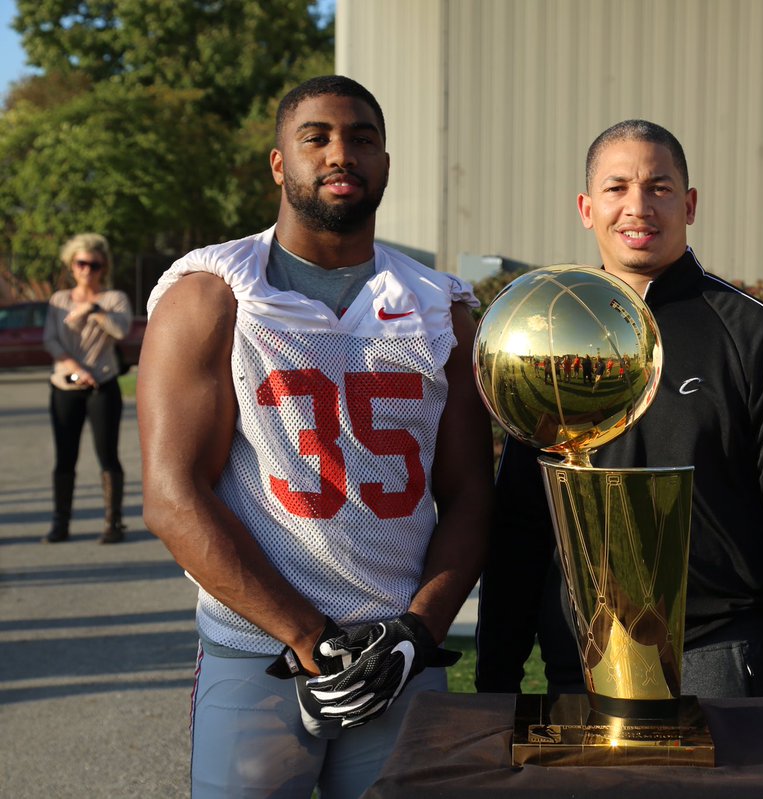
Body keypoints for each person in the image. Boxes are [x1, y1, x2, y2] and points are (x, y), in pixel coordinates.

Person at [138, 76, 493, 798]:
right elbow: (172, 496)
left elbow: (471, 496)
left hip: (398, 655)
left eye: (362, 138)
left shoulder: (441, 306)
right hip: (260, 650)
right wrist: (308, 634)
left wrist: (417, 634)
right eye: (317, 137)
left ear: (386, 164)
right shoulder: (215, 291)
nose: (341, 154)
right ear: (279, 163)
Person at [475, 119, 763, 739]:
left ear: (689, 204)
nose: (638, 207)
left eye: (659, 187)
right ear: (588, 209)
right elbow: (521, 525)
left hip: (716, 662)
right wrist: (495, 685)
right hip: (578, 663)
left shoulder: (753, 337)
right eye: (617, 188)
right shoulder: (545, 338)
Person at [42, 233, 132, 544]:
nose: (87, 270)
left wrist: (94, 309)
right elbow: (50, 340)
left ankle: (113, 523)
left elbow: (121, 330)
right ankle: (60, 523)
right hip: (65, 385)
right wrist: (76, 369)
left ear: (103, 267)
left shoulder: (113, 299)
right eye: (81, 263)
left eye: (94, 265)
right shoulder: (59, 301)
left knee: (107, 454)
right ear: (71, 265)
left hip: (102, 387)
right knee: (64, 457)